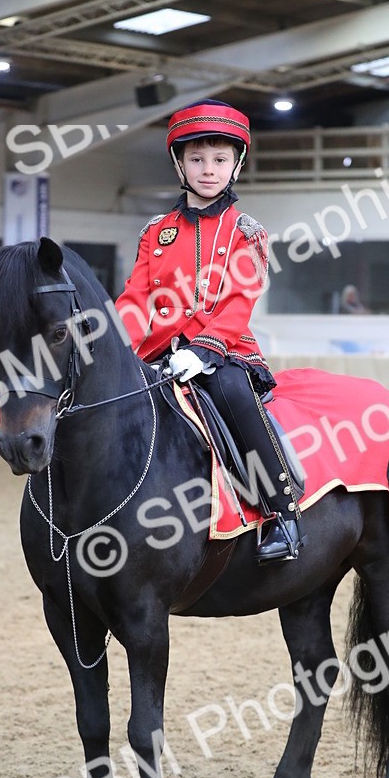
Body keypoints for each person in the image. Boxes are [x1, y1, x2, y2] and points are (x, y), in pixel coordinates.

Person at [115, 100, 302, 563]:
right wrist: (116, 348)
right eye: (197, 159)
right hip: (159, 352)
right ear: (179, 163)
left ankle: (282, 513)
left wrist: (203, 351)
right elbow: (135, 298)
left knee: (233, 394)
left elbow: (240, 301)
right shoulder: (155, 231)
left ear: (236, 164)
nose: (208, 170)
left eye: (220, 159)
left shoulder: (247, 231)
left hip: (224, 351)